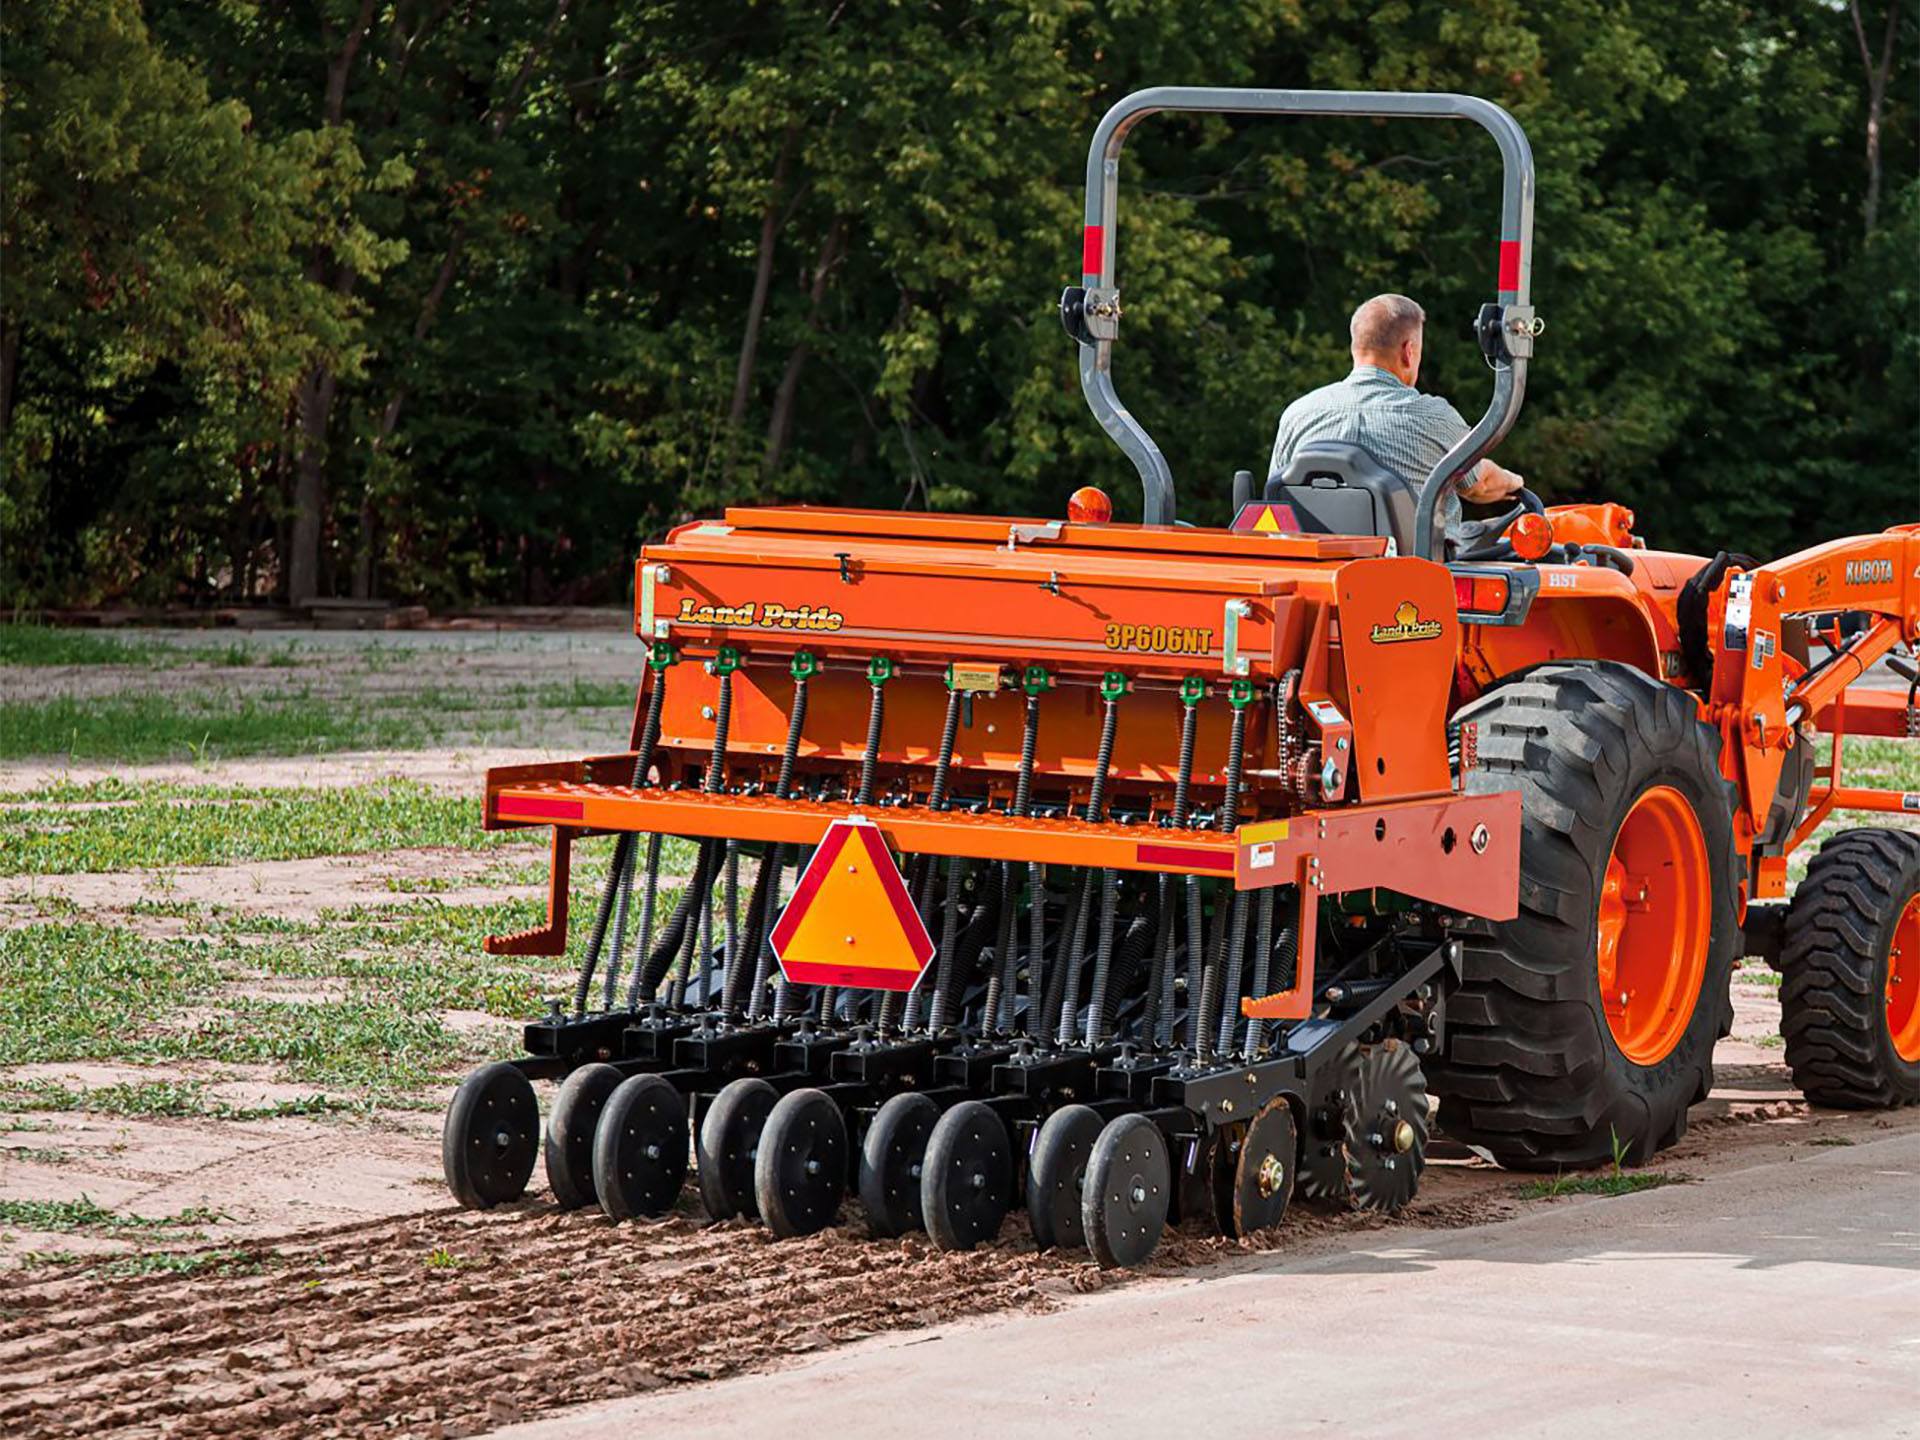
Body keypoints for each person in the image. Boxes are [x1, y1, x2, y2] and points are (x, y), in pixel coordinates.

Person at [1269, 294, 1524, 520]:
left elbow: (1276, 494)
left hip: (1318, 570)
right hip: (1414, 570)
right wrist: (1515, 481)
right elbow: (1480, 485)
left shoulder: (1298, 413)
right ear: (1409, 352)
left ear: (1355, 347)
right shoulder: (1432, 416)